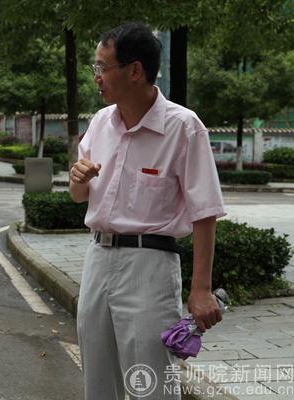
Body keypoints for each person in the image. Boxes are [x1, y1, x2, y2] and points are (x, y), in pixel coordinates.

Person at [69, 22, 226, 399]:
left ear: (134, 71)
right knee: (97, 381)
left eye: (102, 67)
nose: (96, 77)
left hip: (149, 266)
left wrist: (201, 289)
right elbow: (78, 196)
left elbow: (204, 212)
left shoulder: (183, 127)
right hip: (97, 258)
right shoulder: (100, 123)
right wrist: (77, 179)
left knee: (150, 382)